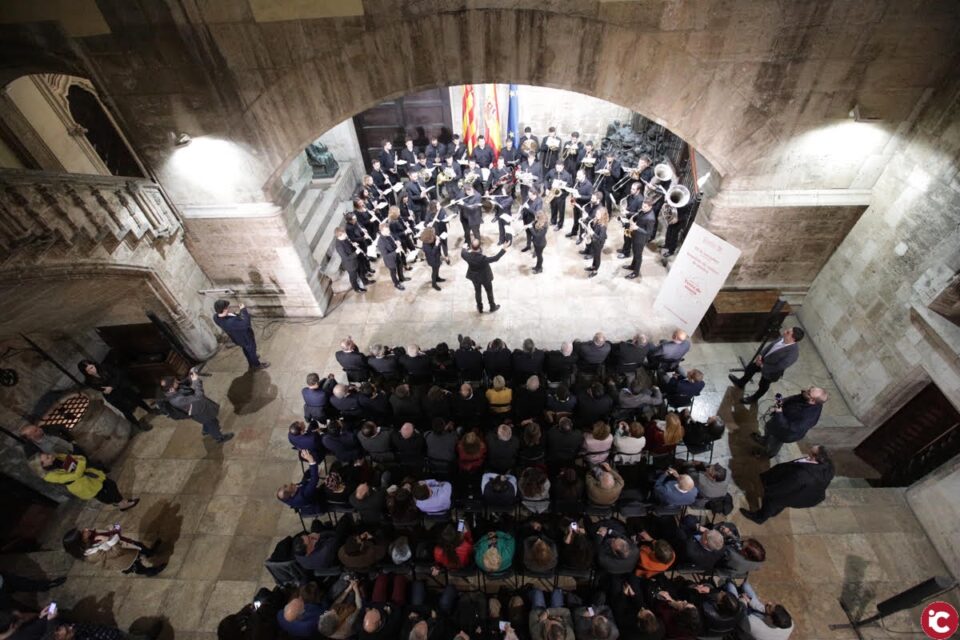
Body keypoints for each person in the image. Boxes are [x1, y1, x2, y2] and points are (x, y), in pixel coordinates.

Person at [740, 445, 834, 524]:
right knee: (779, 505)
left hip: (788, 493)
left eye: (811, 450)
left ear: (815, 457)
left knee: (771, 502)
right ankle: (774, 512)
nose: (808, 449)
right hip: (799, 493)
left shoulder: (801, 475)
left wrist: (768, 491)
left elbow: (783, 488)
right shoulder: (828, 465)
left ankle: (760, 518)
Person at [729, 326, 805, 404]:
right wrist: (761, 355)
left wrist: (762, 366)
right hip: (762, 360)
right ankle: (741, 383)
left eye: (788, 332)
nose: (785, 332)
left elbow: (779, 366)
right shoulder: (783, 338)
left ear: (793, 339)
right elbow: (770, 346)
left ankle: (754, 399)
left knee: (763, 385)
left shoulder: (793, 354)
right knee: (750, 369)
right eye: (787, 330)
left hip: (771, 371)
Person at [36, 453, 138, 510]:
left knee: (110, 485)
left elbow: (75, 457)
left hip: (89, 475)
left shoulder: (56, 456)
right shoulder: (49, 476)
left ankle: (118, 502)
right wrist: (81, 463)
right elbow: (76, 475)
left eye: (47, 455)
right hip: (83, 485)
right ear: (43, 465)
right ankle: (121, 504)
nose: (50, 455)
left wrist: (80, 462)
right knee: (102, 494)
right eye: (47, 458)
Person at [160, 370, 234, 444]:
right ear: (171, 389)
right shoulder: (177, 400)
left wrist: (191, 375)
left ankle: (206, 430)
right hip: (199, 412)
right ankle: (219, 438)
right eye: (175, 382)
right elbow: (198, 396)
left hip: (199, 408)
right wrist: (196, 381)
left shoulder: (171, 389)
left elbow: (184, 383)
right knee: (212, 422)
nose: (178, 382)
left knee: (208, 422)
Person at [752, 387, 828, 458]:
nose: (806, 391)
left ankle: (767, 454)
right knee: (768, 431)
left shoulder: (808, 417)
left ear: (813, 400)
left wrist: (779, 412)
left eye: (809, 392)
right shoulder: (806, 397)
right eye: (810, 389)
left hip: (784, 433)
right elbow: (794, 398)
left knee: (773, 444)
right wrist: (782, 401)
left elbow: (790, 427)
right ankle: (764, 440)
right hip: (777, 422)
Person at [77, 360, 154, 429]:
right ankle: (139, 425)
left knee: (136, 399)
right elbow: (101, 389)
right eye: (88, 370)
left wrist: (111, 386)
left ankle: (150, 410)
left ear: (94, 365)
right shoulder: (88, 381)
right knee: (125, 410)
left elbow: (117, 374)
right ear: (85, 372)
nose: (92, 371)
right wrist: (109, 386)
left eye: (91, 367)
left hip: (121, 387)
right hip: (112, 395)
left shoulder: (105, 366)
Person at [62, 526, 164, 576]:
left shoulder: (88, 541)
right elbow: (116, 553)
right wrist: (109, 540)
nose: (86, 529)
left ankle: (150, 553)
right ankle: (150, 572)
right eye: (82, 533)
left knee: (139, 546)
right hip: (122, 559)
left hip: (125, 548)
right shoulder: (91, 554)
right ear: (80, 541)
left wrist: (111, 530)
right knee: (138, 566)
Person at [725, 580, 794, 640]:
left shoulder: (753, 623)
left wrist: (743, 602)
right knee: (746, 586)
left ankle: (729, 585)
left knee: (730, 586)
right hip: (759, 622)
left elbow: (741, 615)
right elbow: (763, 609)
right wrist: (750, 601)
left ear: (770, 619)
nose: (769, 602)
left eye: (769, 607)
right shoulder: (789, 623)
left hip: (744, 629)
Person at [212, 299, 269, 370]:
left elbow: (232, 320)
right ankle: (256, 365)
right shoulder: (230, 322)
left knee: (246, 349)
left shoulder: (216, 317)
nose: (229, 308)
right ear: (224, 309)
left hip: (237, 338)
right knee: (251, 350)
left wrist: (235, 315)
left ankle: (251, 362)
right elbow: (246, 324)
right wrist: (243, 310)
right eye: (227, 307)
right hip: (245, 337)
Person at [461, 238, 505, 313]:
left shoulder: (467, 255)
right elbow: (496, 258)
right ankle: (492, 307)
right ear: (480, 247)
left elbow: (462, 253)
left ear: (471, 247)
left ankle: (480, 308)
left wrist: (464, 247)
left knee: (477, 292)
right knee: (489, 292)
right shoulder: (483, 258)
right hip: (485, 278)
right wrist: (504, 249)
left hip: (475, 278)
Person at [335, 226, 374, 293]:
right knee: (353, 277)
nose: (346, 235)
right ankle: (356, 288)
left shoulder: (345, 238)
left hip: (356, 259)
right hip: (350, 264)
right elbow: (346, 257)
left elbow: (349, 245)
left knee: (361, 271)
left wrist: (353, 245)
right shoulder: (339, 246)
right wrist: (356, 253)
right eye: (344, 234)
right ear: (339, 236)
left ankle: (365, 281)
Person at [377, 222, 405, 291]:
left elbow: (396, 237)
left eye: (389, 230)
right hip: (390, 260)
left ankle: (401, 278)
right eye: (387, 231)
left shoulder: (388, 234)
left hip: (397, 255)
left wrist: (398, 241)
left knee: (400, 267)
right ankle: (396, 283)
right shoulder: (380, 242)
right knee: (393, 272)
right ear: (382, 231)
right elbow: (386, 255)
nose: (389, 232)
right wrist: (396, 252)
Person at [585, 206, 609, 277]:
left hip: (599, 243)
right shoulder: (597, 220)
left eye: (598, 214)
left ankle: (595, 271)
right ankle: (593, 266)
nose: (596, 215)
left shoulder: (603, 226)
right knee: (594, 255)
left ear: (602, 216)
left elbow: (600, 238)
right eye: (596, 214)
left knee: (597, 256)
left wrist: (592, 233)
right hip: (594, 241)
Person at [420, 226, 445, 291]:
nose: (435, 233)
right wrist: (436, 245)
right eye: (433, 233)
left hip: (437, 257)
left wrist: (438, 240)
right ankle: (434, 284)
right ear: (429, 234)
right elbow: (432, 253)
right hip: (432, 260)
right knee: (434, 271)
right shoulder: (425, 244)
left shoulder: (432, 238)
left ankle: (437, 278)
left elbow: (438, 247)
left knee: (437, 268)